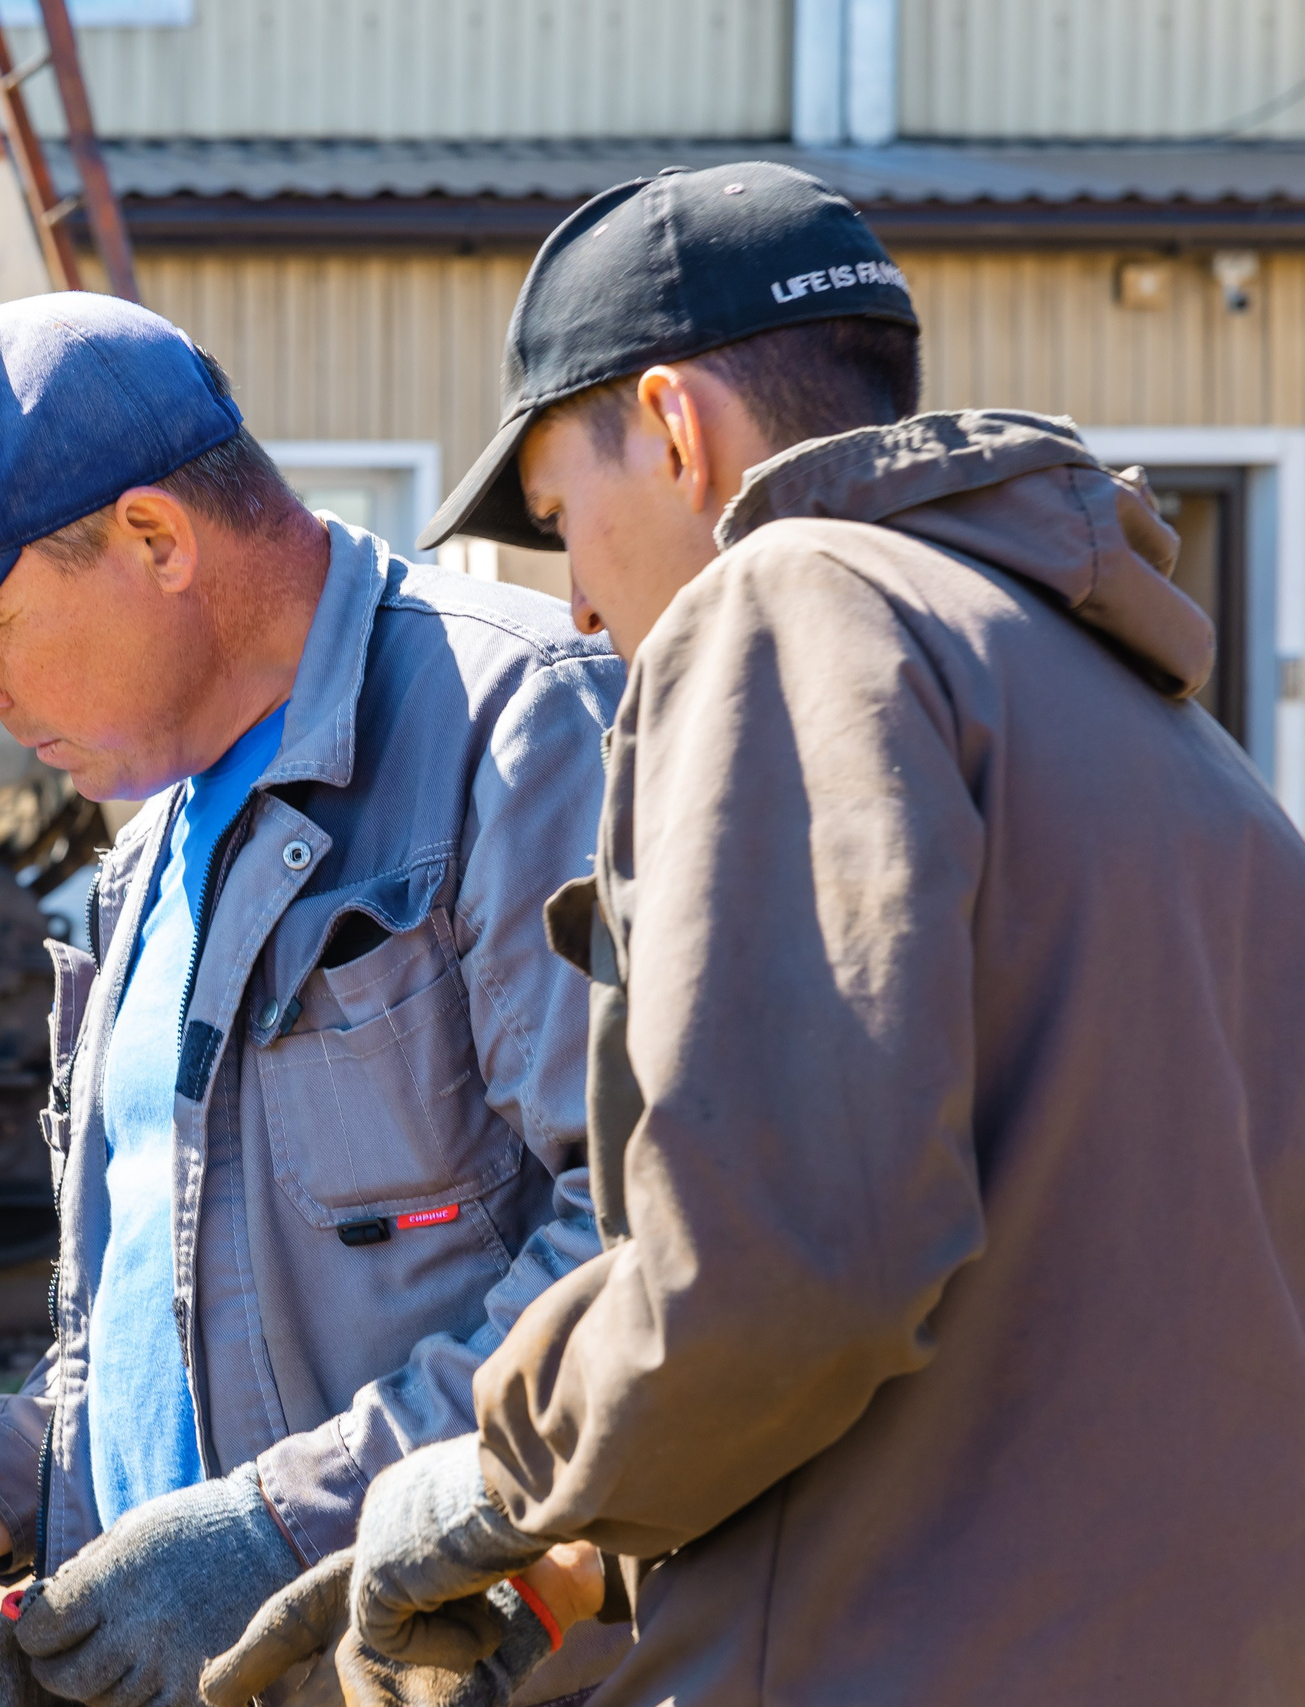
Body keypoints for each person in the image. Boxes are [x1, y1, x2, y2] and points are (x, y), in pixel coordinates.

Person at [206, 163, 1305, 1707]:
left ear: (671, 427)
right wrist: (600, 1542)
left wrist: (493, 1479)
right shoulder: (1156, 725)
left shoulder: (793, 602)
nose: (577, 608)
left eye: (556, 519)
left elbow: (792, 1252)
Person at [0, 292, 625, 1707]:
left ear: (154, 539)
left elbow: (628, 1261)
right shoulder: (149, 857)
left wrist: (279, 1534)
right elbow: (155, 1333)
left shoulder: (522, 728)